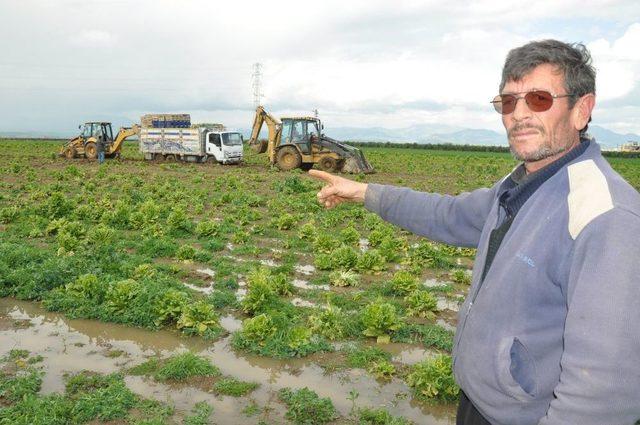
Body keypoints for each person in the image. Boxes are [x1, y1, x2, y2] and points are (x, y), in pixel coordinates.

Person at [309, 39, 640, 425]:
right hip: (481, 403)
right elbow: (447, 214)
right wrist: (365, 192)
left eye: (538, 100)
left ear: (581, 110)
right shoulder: (520, 186)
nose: (518, 115)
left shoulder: (606, 215)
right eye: (508, 102)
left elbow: (603, 391)